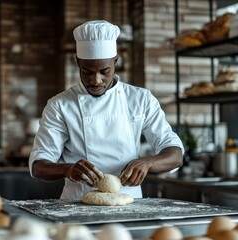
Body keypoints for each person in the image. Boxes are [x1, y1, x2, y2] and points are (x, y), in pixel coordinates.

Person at [29, 20, 184, 200]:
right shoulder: (60, 105)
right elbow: (38, 165)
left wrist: (148, 162)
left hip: (129, 204)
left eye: (104, 71)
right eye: (87, 71)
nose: (96, 80)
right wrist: (67, 169)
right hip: (77, 206)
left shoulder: (141, 99)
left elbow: (175, 154)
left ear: (116, 61)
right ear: (78, 62)